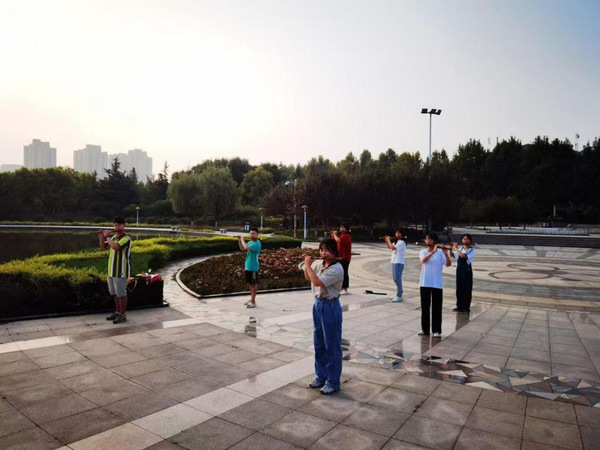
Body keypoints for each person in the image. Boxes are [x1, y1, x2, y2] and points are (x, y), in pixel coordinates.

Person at [304, 238, 344, 395]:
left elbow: (317, 282)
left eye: (327, 250)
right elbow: (308, 277)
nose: (323, 253)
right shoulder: (319, 264)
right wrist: (307, 266)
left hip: (330, 306)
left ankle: (333, 381)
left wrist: (308, 265)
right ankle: (320, 375)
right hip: (318, 304)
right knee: (319, 343)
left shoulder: (337, 268)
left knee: (332, 345)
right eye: (321, 249)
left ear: (334, 252)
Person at [98, 217, 132, 324]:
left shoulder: (126, 238)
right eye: (115, 225)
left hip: (121, 270)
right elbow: (103, 247)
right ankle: (117, 312)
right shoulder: (113, 237)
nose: (116, 227)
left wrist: (107, 236)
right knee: (115, 293)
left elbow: (116, 247)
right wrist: (101, 237)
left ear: (124, 226)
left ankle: (123, 315)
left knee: (121, 293)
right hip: (111, 270)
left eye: (119, 225)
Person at [418, 232, 451, 338]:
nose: (427, 241)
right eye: (426, 239)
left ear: (434, 241)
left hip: (437, 283)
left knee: (437, 307)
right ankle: (425, 329)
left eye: (429, 239)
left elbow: (448, 264)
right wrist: (433, 252)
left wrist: (446, 254)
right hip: (425, 282)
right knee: (425, 307)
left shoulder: (440, 253)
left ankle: (436, 330)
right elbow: (423, 260)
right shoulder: (423, 251)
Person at [452, 233, 476, 314]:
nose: (465, 240)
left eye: (467, 239)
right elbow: (453, 255)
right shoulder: (461, 249)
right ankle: (459, 306)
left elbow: (463, 256)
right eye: (464, 239)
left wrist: (455, 248)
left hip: (467, 271)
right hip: (459, 270)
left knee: (466, 288)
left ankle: (466, 307)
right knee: (459, 288)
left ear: (470, 241)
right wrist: (449, 248)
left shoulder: (471, 250)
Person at [238, 227, 261, 308]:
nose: (252, 235)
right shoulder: (250, 242)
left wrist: (242, 239)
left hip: (253, 267)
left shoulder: (257, 243)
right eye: (251, 233)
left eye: (254, 233)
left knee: (254, 284)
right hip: (248, 266)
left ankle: (253, 301)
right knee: (250, 284)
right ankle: (251, 299)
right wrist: (239, 240)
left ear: (257, 235)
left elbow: (246, 247)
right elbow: (242, 248)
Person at [385, 230, 406, 303]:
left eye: (398, 233)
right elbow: (389, 247)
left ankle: (399, 295)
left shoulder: (402, 242)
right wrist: (387, 241)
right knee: (395, 279)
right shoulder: (396, 242)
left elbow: (393, 248)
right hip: (394, 261)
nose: (397, 234)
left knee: (397, 279)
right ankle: (399, 294)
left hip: (399, 262)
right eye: (396, 233)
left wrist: (389, 240)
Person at [330, 223, 352, 295]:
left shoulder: (347, 236)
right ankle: (341, 287)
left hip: (345, 257)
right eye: (341, 227)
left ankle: (345, 288)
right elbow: (335, 241)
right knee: (340, 272)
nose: (341, 229)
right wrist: (333, 235)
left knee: (344, 272)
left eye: (343, 227)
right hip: (340, 256)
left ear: (346, 229)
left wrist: (335, 235)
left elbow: (338, 240)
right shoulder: (342, 235)